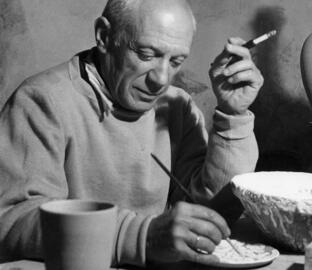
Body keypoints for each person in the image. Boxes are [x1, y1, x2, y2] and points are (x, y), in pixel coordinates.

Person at [0, 0, 263, 267]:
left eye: (176, 61)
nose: (161, 79)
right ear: (104, 36)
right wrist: (142, 237)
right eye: (147, 55)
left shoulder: (177, 107)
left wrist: (233, 117)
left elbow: (210, 216)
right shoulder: (42, 102)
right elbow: (10, 220)